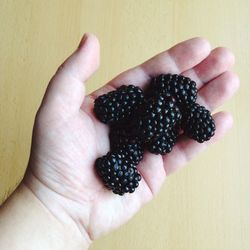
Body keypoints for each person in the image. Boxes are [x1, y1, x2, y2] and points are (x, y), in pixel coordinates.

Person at [0, 34, 239, 249]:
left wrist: (50, 205)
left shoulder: (153, 125)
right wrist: (52, 199)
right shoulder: (140, 126)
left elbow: (152, 132)